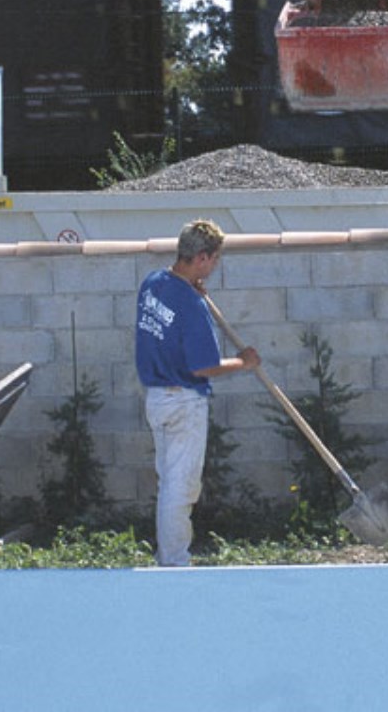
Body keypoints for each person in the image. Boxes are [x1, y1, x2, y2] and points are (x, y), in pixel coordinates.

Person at [135, 219, 259, 566]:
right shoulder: (192, 307)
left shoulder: (153, 284)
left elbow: (168, 319)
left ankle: (168, 556)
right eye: (215, 259)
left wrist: (192, 288)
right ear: (202, 258)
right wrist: (243, 362)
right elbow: (202, 367)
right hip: (183, 402)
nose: (215, 266)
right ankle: (175, 562)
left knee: (168, 483)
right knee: (182, 487)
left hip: (157, 399)